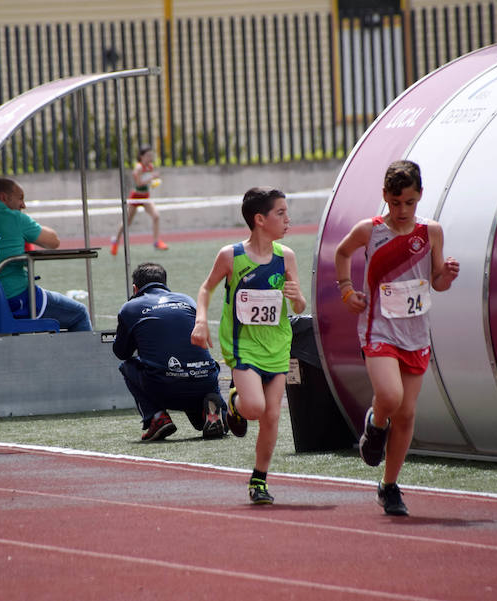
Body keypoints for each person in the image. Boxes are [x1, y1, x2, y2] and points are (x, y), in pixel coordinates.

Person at [333, 160, 459, 516]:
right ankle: (375, 425)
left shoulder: (430, 231)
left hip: (416, 333)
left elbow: (436, 281)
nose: (403, 211)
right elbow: (341, 253)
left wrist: (446, 275)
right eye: (396, 202)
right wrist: (346, 290)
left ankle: (389, 486)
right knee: (390, 396)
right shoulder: (369, 231)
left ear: (420, 197)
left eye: (410, 203)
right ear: (385, 197)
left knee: (405, 414)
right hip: (379, 328)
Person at [191, 187, 307, 505]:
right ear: (260, 219)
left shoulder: (287, 257)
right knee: (255, 408)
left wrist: (297, 298)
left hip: (278, 344)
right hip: (242, 344)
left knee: (271, 417)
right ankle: (234, 402)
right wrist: (201, 320)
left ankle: (259, 480)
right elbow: (205, 289)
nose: (288, 219)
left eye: (287, 212)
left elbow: (298, 307)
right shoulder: (231, 256)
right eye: (280, 213)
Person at [113, 262, 226, 441]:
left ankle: (157, 417)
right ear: (165, 284)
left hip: (165, 387)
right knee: (199, 417)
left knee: (127, 366)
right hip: (204, 381)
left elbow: (122, 353)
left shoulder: (130, 308)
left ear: (135, 288)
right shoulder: (186, 300)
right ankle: (212, 414)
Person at [0, 177, 92, 332]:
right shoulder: (16, 218)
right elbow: (53, 241)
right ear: (4, 197)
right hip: (16, 299)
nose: (23, 205)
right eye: (20, 198)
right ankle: (83, 357)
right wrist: (28, 225)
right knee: (79, 313)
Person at [110, 145, 168, 255]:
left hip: (145, 196)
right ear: (141, 156)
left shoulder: (150, 166)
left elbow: (147, 183)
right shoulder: (138, 168)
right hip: (136, 197)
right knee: (127, 221)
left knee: (156, 216)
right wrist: (152, 178)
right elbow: (139, 183)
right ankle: (115, 240)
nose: (150, 157)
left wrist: (154, 182)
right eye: (147, 155)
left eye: (151, 155)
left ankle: (156, 242)